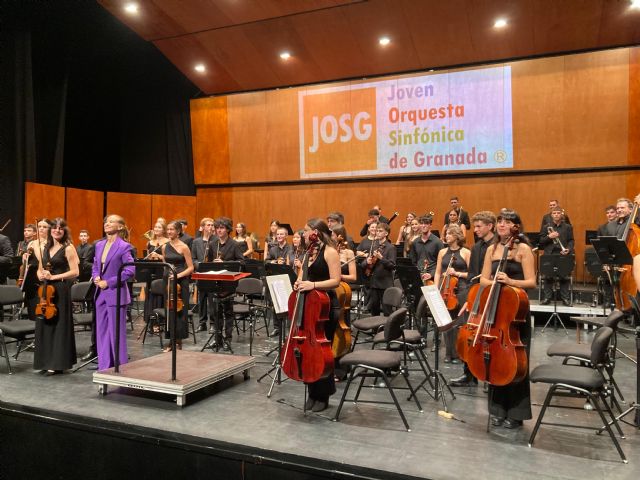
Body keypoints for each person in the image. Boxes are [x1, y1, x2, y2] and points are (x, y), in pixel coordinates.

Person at [480, 209, 536, 429]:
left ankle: (516, 412)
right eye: (500, 221)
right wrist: (493, 282)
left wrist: (511, 281)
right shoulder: (492, 249)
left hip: (516, 313)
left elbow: (531, 282)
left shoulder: (523, 250)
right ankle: (497, 409)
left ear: (516, 226)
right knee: (495, 360)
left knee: (516, 362)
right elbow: (483, 279)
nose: (502, 224)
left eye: (507, 221)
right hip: (496, 310)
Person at [293, 218, 341, 412]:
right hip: (309, 305)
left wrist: (312, 285)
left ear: (316, 232)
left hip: (326, 306)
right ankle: (312, 391)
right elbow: (301, 276)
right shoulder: (307, 253)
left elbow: (336, 281)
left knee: (322, 352)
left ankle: (324, 394)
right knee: (308, 351)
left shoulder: (330, 252)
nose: (303, 234)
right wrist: (298, 282)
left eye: (306, 231)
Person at [449, 211, 496, 387]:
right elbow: (472, 276)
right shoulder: (476, 248)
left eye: (478, 226)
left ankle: (490, 374)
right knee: (469, 334)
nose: (475, 230)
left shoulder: (498, 246)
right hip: (476, 295)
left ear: (490, 226)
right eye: (474, 226)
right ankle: (469, 374)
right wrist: (469, 299)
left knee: (489, 337)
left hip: (493, 296)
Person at [33, 218, 79, 375]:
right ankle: (44, 361)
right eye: (54, 228)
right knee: (45, 325)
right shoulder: (45, 247)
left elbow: (75, 272)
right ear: (50, 230)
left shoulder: (68, 248)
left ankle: (57, 363)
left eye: (61, 228)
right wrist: (40, 275)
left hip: (60, 289)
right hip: (46, 290)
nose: (57, 230)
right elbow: (40, 267)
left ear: (64, 231)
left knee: (59, 327)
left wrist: (54, 277)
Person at [92, 215, 135, 370]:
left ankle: (120, 367)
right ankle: (104, 367)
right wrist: (96, 276)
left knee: (116, 334)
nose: (107, 224)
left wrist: (108, 282)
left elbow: (129, 270)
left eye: (111, 222)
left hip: (115, 294)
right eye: (106, 222)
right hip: (100, 294)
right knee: (102, 333)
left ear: (121, 226)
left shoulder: (124, 246)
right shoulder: (99, 245)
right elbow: (95, 265)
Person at [433, 224, 470, 363]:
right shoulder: (442, 252)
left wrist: (457, 273)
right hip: (445, 290)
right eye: (446, 234)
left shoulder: (466, 252)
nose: (446, 236)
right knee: (446, 322)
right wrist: (436, 289)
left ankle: (458, 354)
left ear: (456, 236)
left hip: (461, 290)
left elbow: (471, 274)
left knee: (458, 323)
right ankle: (449, 353)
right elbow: (437, 272)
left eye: (449, 234)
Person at [207, 217, 244, 348]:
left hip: (229, 282)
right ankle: (218, 339)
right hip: (216, 282)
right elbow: (210, 263)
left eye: (221, 228)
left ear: (228, 229)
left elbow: (241, 262)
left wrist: (225, 264)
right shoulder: (213, 244)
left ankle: (227, 339)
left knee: (228, 312)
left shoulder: (234, 245)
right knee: (215, 312)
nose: (218, 230)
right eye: (217, 228)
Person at [158, 220, 194, 352]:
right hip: (168, 282)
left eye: (171, 229)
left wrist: (178, 276)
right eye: (167, 229)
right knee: (170, 312)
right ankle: (172, 340)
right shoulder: (164, 247)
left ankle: (177, 341)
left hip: (180, 282)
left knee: (179, 312)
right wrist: (167, 276)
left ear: (178, 231)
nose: (169, 232)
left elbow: (190, 268)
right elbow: (165, 265)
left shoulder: (184, 247)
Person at [539, 206, 574, 306]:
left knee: (564, 276)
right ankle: (547, 298)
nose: (556, 215)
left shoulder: (568, 227)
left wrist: (568, 249)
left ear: (561, 214)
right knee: (547, 276)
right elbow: (541, 241)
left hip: (563, 254)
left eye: (558, 213)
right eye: (554, 213)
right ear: (551, 215)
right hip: (549, 254)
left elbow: (571, 240)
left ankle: (565, 298)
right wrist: (549, 237)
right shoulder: (546, 227)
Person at [361, 222, 396, 316]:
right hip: (374, 283)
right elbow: (363, 263)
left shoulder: (390, 248)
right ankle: (375, 330)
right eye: (377, 231)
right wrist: (366, 262)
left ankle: (387, 330)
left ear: (386, 233)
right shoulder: (374, 246)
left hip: (385, 284)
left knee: (387, 311)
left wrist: (381, 258)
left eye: (380, 231)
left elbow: (392, 265)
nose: (377, 233)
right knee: (374, 310)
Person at [192, 217, 215, 332]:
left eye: (212, 225)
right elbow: (193, 258)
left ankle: (213, 323)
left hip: (213, 274)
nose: (211, 227)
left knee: (212, 300)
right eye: (208, 225)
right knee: (202, 299)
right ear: (203, 227)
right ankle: (202, 323)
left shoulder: (216, 241)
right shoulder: (196, 241)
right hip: (201, 274)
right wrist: (199, 265)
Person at [409, 214, 444, 283]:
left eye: (426, 223)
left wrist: (431, 274)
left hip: (433, 277)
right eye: (421, 223)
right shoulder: (415, 242)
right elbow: (413, 261)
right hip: (419, 276)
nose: (423, 225)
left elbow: (442, 263)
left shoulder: (437, 242)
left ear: (430, 225)